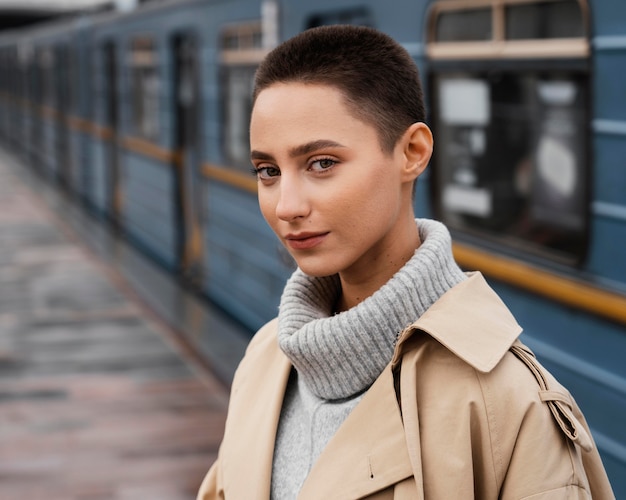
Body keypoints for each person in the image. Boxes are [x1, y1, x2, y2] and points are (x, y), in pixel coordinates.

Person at [197, 25, 614, 499]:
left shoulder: (509, 403)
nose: (286, 205)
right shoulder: (264, 359)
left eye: (322, 163)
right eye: (268, 171)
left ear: (412, 153)